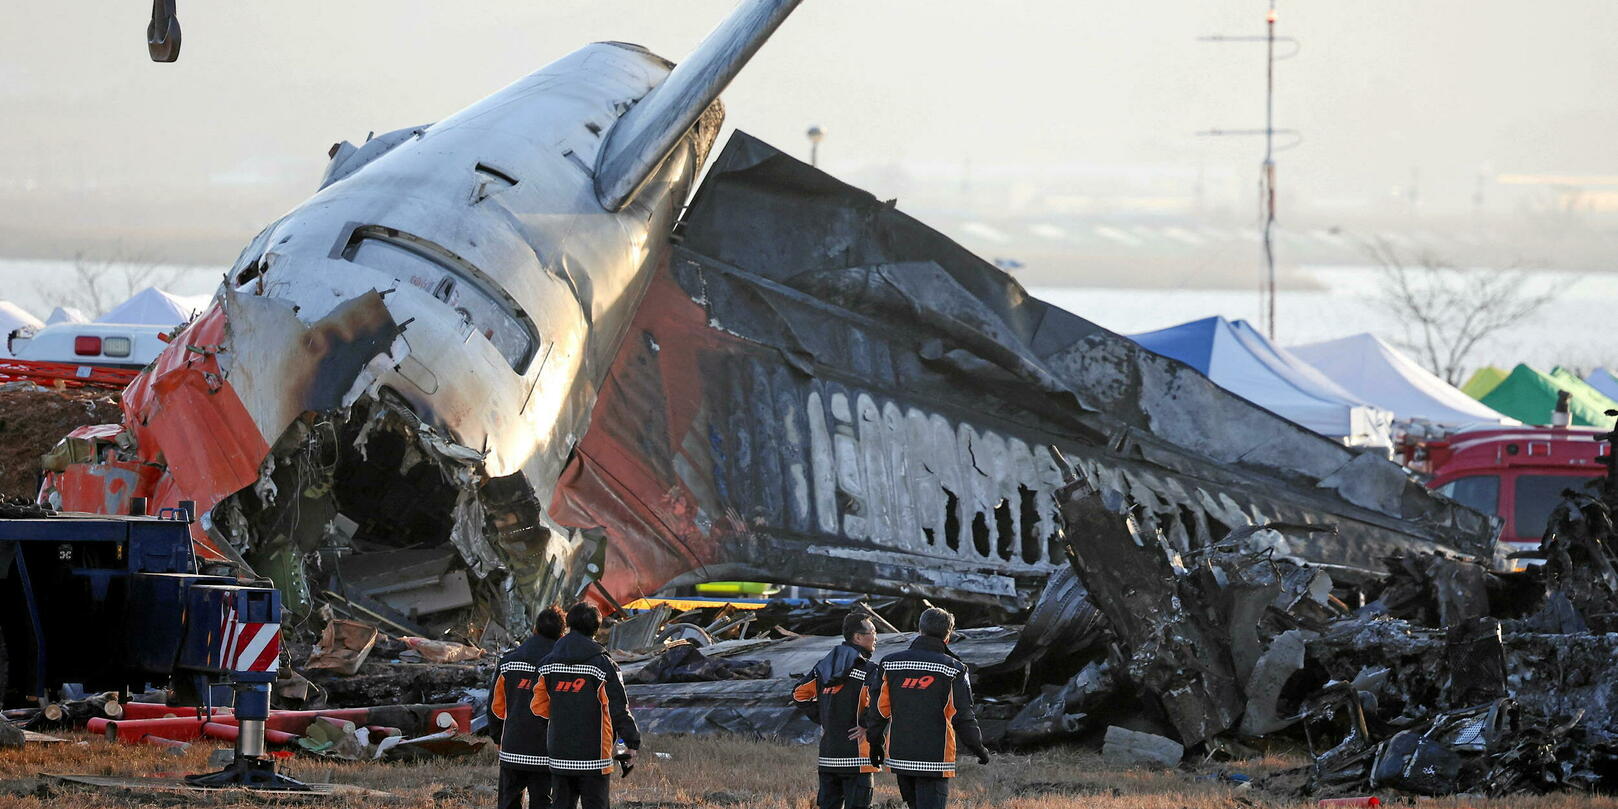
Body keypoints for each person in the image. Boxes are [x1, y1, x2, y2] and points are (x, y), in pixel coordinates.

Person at [863, 607, 989, 809]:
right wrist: (979, 749)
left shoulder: (890, 664)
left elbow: (879, 711)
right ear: (948, 636)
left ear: (920, 630)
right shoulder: (954, 669)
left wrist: (875, 743)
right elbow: (962, 717)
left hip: (901, 756)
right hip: (935, 759)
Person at [531, 602, 640, 809]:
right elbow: (618, 709)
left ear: (569, 624)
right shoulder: (603, 665)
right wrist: (630, 744)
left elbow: (538, 708)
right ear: (596, 629)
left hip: (559, 754)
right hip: (594, 757)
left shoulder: (547, 665)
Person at [792, 613, 881, 809]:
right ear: (858, 637)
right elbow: (883, 703)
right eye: (873, 632)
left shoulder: (823, 668)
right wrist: (866, 724)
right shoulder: (869, 670)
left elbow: (799, 694)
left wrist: (824, 716)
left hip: (828, 756)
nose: (876, 637)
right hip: (857, 759)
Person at [491, 605, 565, 809]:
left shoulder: (508, 662)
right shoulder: (564, 666)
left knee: (509, 802)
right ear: (562, 633)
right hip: (548, 751)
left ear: (535, 629)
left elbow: (496, 707)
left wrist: (499, 737)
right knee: (543, 802)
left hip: (513, 747)